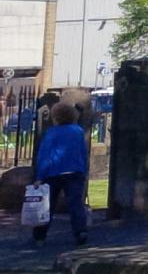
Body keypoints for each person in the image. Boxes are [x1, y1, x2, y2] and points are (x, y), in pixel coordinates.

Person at [29, 100, 90, 247]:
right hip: (74, 171)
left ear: (55, 117)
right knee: (75, 204)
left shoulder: (51, 133)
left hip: (53, 172)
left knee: (47, 206)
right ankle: (80, 231)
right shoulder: (78, 131)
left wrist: (39, 177)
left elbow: (45, 155)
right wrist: (84, 170)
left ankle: (40, 236)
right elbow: (83, 152)